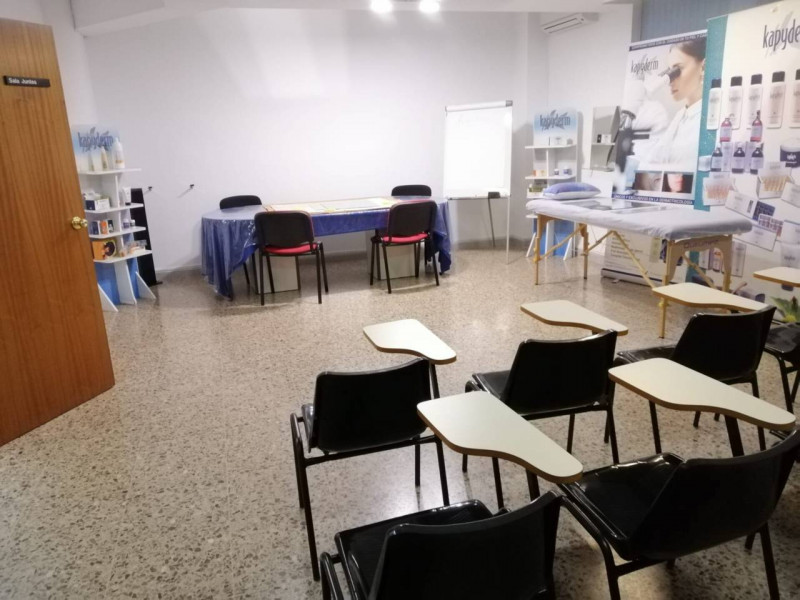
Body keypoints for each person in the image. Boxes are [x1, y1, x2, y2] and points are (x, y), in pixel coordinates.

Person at [641, 37, 706, 172]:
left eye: (677, 69)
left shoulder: (706, 116)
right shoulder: (680, 116)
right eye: (670, 71)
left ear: (703, 67)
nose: (670, 80)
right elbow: (653, 159)